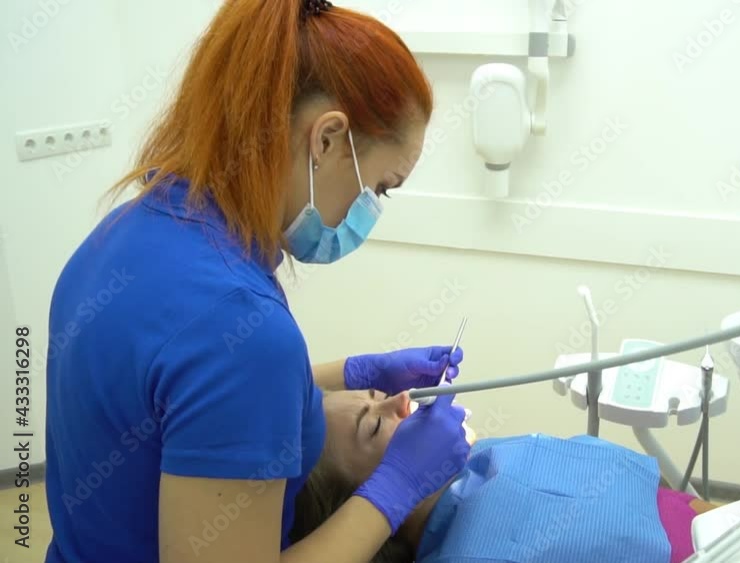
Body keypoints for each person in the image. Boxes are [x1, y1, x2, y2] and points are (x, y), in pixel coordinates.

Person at [43, 1, 471, 562]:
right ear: (326, 140)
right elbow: (226, 370)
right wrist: (394, 489)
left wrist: (350, 372)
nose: (370, 211)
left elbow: (180, 399)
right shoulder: (237, 319)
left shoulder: (126, 233)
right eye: (380, 189)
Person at [292, 389, 721, 563]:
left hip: (702, 517)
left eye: (380, 396)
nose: (402, 400)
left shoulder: (481, 458)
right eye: (374, 424)